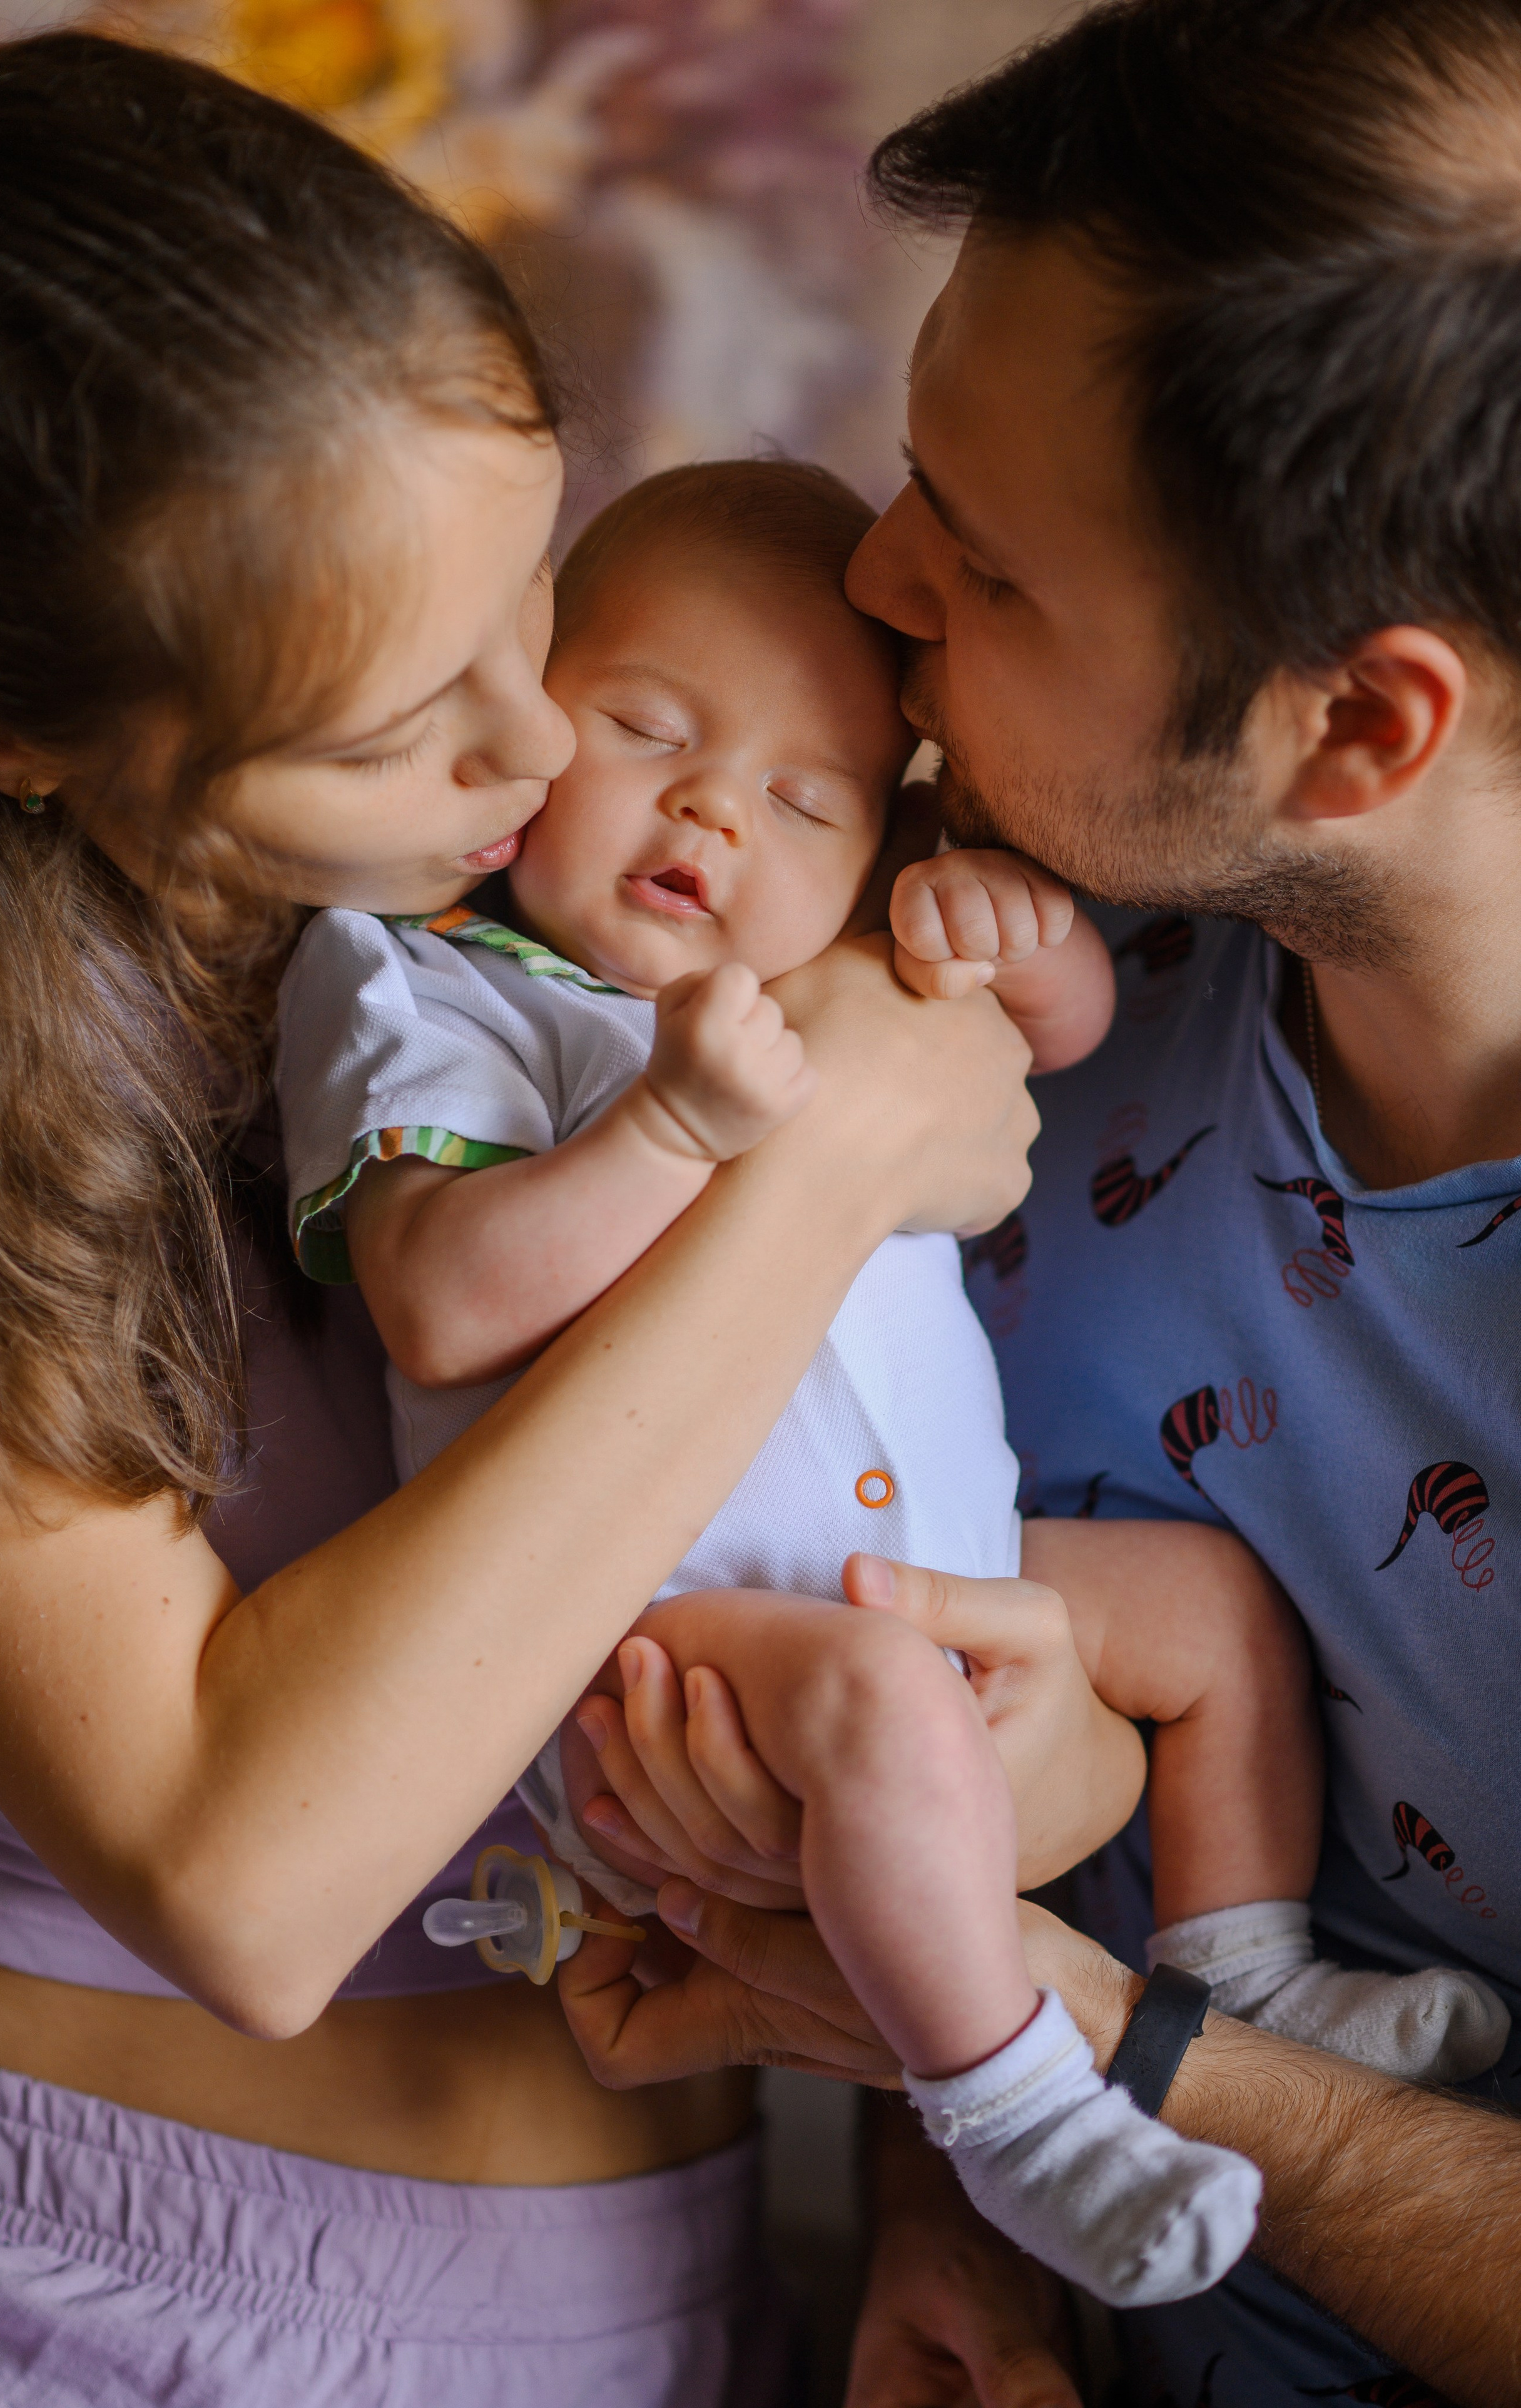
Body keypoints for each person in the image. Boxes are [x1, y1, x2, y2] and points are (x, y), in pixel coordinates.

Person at [0, 31, 1059, 2404]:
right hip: (91, 2301)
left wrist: (952, 2174)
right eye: (393, 720)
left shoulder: (578, 899)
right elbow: (257, 1876)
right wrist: (830, 1147)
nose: (544, 752)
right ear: (4, 732)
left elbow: (847, 1545)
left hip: (672, 2283)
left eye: (532, 611)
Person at [541, 3, 1521, 2401]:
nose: (870, 584)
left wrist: (1046, 2054)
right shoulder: (1013, 982)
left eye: (980, 566)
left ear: (1357, 723)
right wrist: (948, 2226)